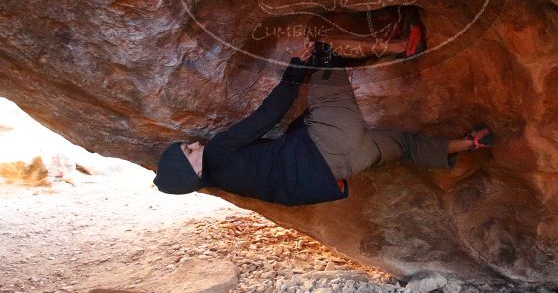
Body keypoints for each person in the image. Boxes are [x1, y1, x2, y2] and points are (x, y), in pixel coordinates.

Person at [153, 36, 493, 205]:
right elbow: (266, 116)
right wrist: (294, 74)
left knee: (403, 145)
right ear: (194, 170)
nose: (196, 143)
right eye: (189, 151)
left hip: (346, 168)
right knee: (326, 54)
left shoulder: (229, 182)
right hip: (329, 139)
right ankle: (404, 43)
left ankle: (466, 143)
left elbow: (285, 189)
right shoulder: (220, 152)